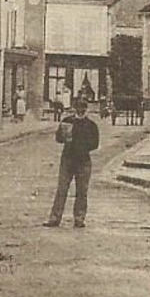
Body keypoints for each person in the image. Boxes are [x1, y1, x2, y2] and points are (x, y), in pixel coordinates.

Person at [45, 96, 100, 228]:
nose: (81, 110)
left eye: (83, 108)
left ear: (86, 109)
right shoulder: (67, 121)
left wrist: (82, 146)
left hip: (83, 161)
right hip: (68, 160)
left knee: (82, 191)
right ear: (75, 108)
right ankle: (55, 218)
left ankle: (79, 218)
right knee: (62, 189)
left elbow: (95, 144)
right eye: (79, 108)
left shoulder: (91, 125)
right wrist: (63, 135)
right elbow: (59, 138)